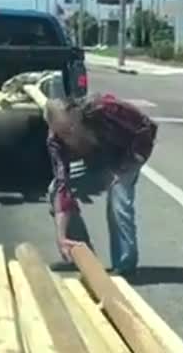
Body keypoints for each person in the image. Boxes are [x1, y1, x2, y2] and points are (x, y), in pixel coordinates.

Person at [45, 93, 158, 275]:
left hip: (126, 156)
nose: (71, 135)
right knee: (54, 190)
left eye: (72, 127)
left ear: (76, 113)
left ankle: (124, 265)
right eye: (64, 133)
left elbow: (147, 127)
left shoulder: (105, 109)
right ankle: (81, 254)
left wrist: (127, 164)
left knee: (118, 196)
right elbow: (62, 185)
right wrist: (61, 237)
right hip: (96, 163)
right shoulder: (55, 142)